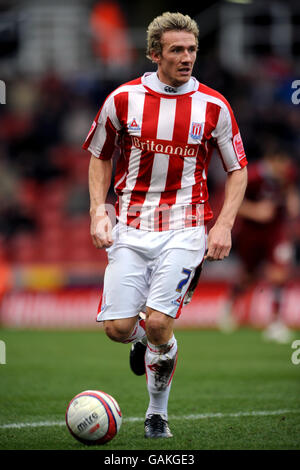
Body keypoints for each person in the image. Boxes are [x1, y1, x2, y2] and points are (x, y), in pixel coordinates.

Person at [83, 12, 248, 438]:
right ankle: (144, 343)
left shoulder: (214, 106)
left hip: (186, 226)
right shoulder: (122, 99)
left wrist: (224, 225)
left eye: (192, 49)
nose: (187, 57)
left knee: (158, 323)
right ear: (155, 54)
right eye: (177, 50)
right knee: (119, 329)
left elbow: (238, 169)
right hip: (131, 227)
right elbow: (99, 154)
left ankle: (157, 413)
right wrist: (98, 211)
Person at [221, 142, 299, 342]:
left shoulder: (288, 175)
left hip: (276, 231)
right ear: (271, 161)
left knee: (279, 273)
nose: (285, 169)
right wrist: (256, 211)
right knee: (249, 277)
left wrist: (292, 201)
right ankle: (230, 306)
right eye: (282, 164)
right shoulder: (253, 176)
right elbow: (232, 201)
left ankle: (276, 322)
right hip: (252, 233)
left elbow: (289, 192)